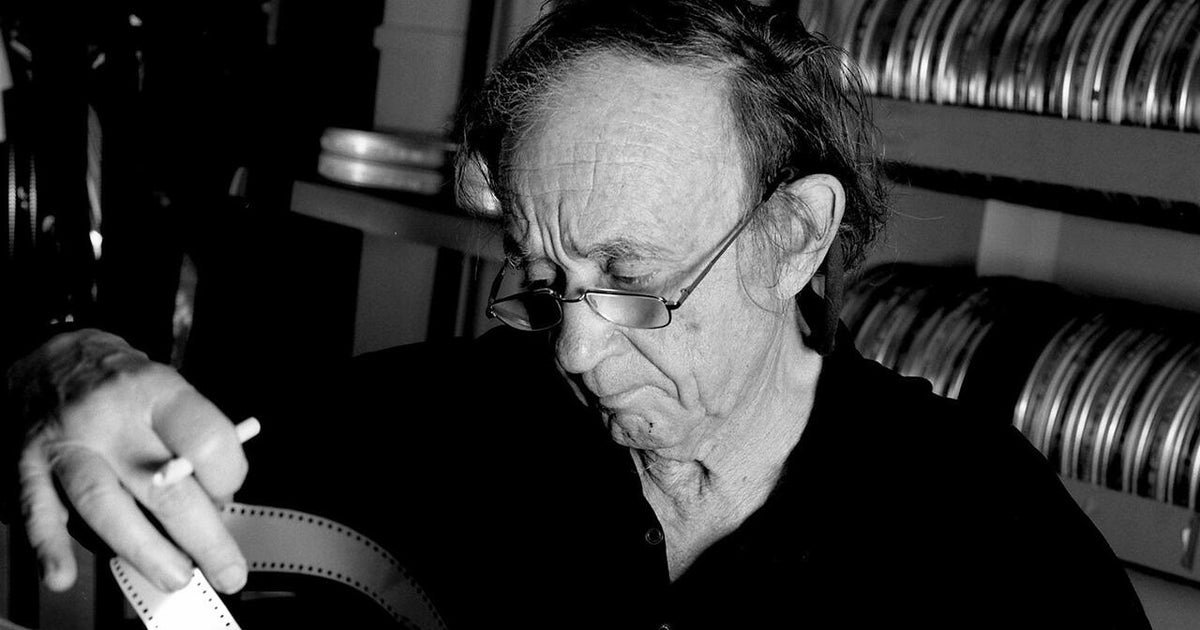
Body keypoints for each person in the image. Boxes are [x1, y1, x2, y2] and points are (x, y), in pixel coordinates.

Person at [5, 1, 1150, 628]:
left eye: (633, 277)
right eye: (544, 275)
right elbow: (140, 448)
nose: (578, 347)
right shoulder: (453, 415)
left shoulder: (992, 543)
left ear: (794, 236)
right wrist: (70, 366)